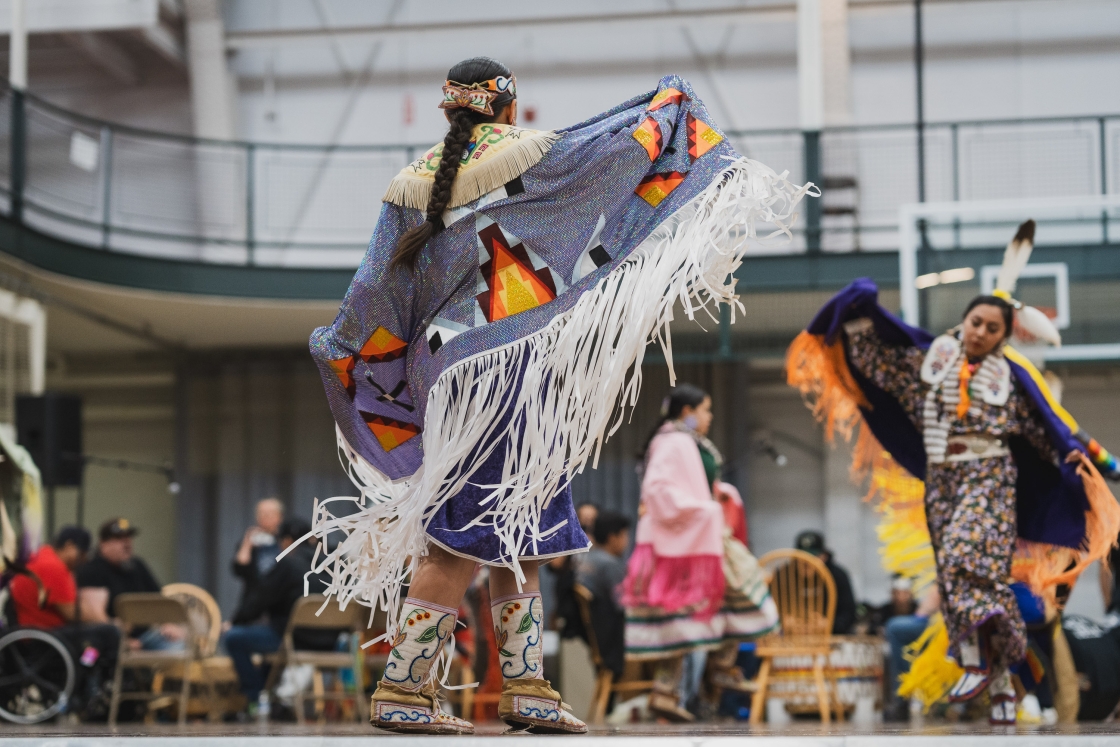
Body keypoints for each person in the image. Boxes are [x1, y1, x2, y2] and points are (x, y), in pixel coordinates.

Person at [305, 55, 809, 736]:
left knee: (522, 536)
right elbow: (618, 159)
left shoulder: (411, 185)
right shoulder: (538, 156)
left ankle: (526, 687)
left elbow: (374, 293)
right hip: (508, 369)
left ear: (449, 109)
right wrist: (666, 107)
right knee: (461, 539)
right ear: (508, 106)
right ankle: (405, 689)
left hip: (453, 373)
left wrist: (346, 347)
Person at [787, 222, 1120, 725]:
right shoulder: (930, 364)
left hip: (991, 479)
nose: (981, 332)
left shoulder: (1011, 379)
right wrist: (857, 314)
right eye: (976, 322)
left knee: (968, 554)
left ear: (1005, 336)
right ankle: (1006, 675)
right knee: (961, 575)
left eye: (993, 327)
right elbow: (878, 365)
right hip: (942, 482)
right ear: (963, 321)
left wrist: (1092, 462)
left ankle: (972, 661)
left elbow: (1047, 428)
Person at [621, 384, 778, 721]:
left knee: (693, 611)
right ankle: (714, 669)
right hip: (684, 538)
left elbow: (693, 483)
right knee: (731, 591)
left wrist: (716, 495)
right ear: (687, 412)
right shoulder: (671, 442)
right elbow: (658, 490)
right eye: (705, 410)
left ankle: (678, 686)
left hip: (698, 536)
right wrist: (701, 510)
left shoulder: (684, 441)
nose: (709, 416)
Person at [226, 518, 335, 709]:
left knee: (235, 638)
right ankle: (270, 698)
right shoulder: (335, 563)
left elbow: (260, 600)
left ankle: (257, 699)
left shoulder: (289, 564)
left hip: (295, 640)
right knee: (270, 639)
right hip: (332, 642)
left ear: (285, 542)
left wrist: (235, 621)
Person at [76, 518, 183, 651]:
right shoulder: (92, 570)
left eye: (128, 537)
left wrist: (168, 623)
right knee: (90, 656)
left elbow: (158, 599)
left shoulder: (136, 565)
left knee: (182, 647)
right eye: (119, 538)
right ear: (103, 543)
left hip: (148, 634)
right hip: (109, 641)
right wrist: (123, 640)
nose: (126, 543)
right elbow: (95, 617)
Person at [575, 511, 631, 680]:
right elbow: (622, 605)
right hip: (611, 644)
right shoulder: (609, 564)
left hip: (596, 640)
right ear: (613, 537)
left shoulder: (586, 560)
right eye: (624, 536)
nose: (627, 542)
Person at [882, 586, 939, 722]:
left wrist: (922, 612)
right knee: (897, 631)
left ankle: (902, 696)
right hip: (935, 616)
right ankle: (903, 695)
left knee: (894, 627)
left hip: (940, 619)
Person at [794, 530, 857, 635]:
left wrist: (828, 625)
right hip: (793, 636)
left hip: (832, 634)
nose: (806, 561)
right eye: (802, 556)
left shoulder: (837, 575)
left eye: (813, 557)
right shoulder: (784, 575)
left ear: (824, 556)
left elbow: (849, 613)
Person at [232, 497, 284, 607]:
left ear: (280, 516)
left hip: (280, 597)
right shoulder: (250, 539)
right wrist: (247, 544)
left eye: (270, 513)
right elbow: (239, 568)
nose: (266, 517)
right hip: (255, 597)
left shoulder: (285, 540)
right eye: (262, 513)